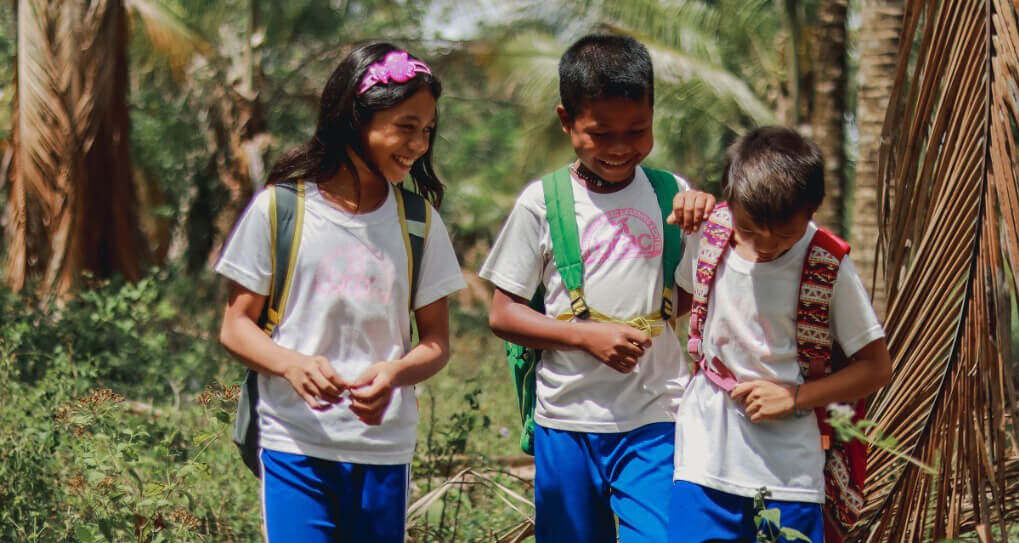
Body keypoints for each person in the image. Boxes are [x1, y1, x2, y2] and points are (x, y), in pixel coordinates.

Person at [216, 43, 466, 543]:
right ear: (355, 117)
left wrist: (396, 372)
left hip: (384, 452)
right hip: (294, 445)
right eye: (405, 125)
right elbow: (235, 326)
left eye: (427, 130)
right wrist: (290, 364)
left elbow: (436, 341)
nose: (419, 143)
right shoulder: (278, 210)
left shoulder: (419, 222)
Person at [480, 34, 714, 543]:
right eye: (599, 132)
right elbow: (503, 314)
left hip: (657, 417)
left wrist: (705, 223)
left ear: (654, 115)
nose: (620, 147)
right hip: (566, 420)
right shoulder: (541, 202)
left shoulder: (672, 192)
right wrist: (588, 337)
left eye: (637, 130)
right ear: (566, 122)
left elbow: (696, 300)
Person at [668, 126, 893, 542]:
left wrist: (793, 398)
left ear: (812, 211)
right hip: (703, 458)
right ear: (729, 202)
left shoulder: (827, 264)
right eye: (750, 229)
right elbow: (680, 298)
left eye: (786, 233)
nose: (767, 244)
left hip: (789, 470)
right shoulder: (709, 233)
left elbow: (876, 367)